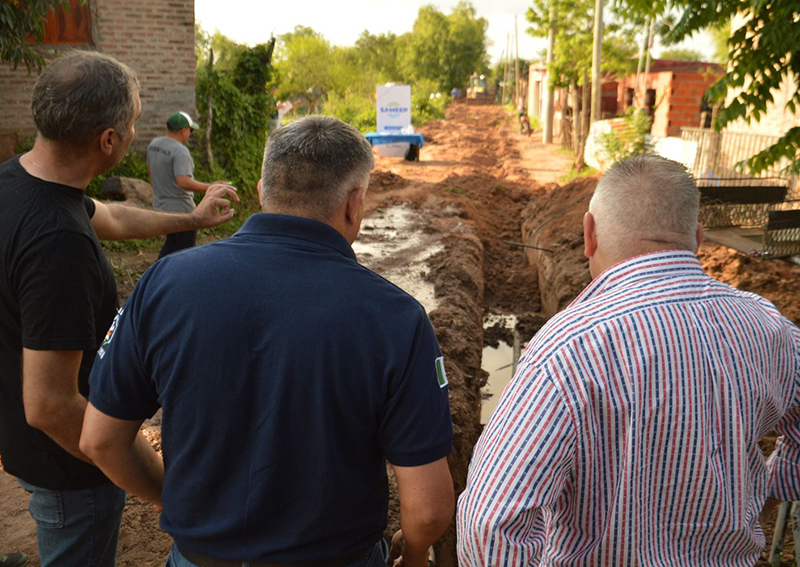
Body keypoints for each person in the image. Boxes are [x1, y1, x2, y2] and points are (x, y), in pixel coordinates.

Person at [80, 115, 455, 567]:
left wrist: (178, 501)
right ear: (355, 204)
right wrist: (414, 554)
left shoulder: (165, 283)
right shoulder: (396, 318)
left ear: (262, 191)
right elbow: (429, 509)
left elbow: (100, 440)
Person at [457, 154, 800, 566]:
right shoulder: (768, 327)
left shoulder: (568, 350)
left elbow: (490, 524)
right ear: (697, 237)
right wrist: (764, 479)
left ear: (589, 234)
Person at [0, 52, 238, 567]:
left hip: (22, 440)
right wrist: (165, 490)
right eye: (131, 124)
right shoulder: (58, 243)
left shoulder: (19, 181)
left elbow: (109, 216)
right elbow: (49, 405)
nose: (134, 134)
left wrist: (189, 219)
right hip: (69, 470)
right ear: (109, 140)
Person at [147, 111, 234, 258]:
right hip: (182, 209)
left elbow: (150, 172)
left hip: (161, 206)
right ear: (183, 130)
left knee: (172, 244)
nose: (190, 134)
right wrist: (212, 187)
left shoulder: (154, 144)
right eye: (190, 130)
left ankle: (158, 273)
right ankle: (169, 275)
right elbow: (183, 182)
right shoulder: (180, 151)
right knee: (184, 250)